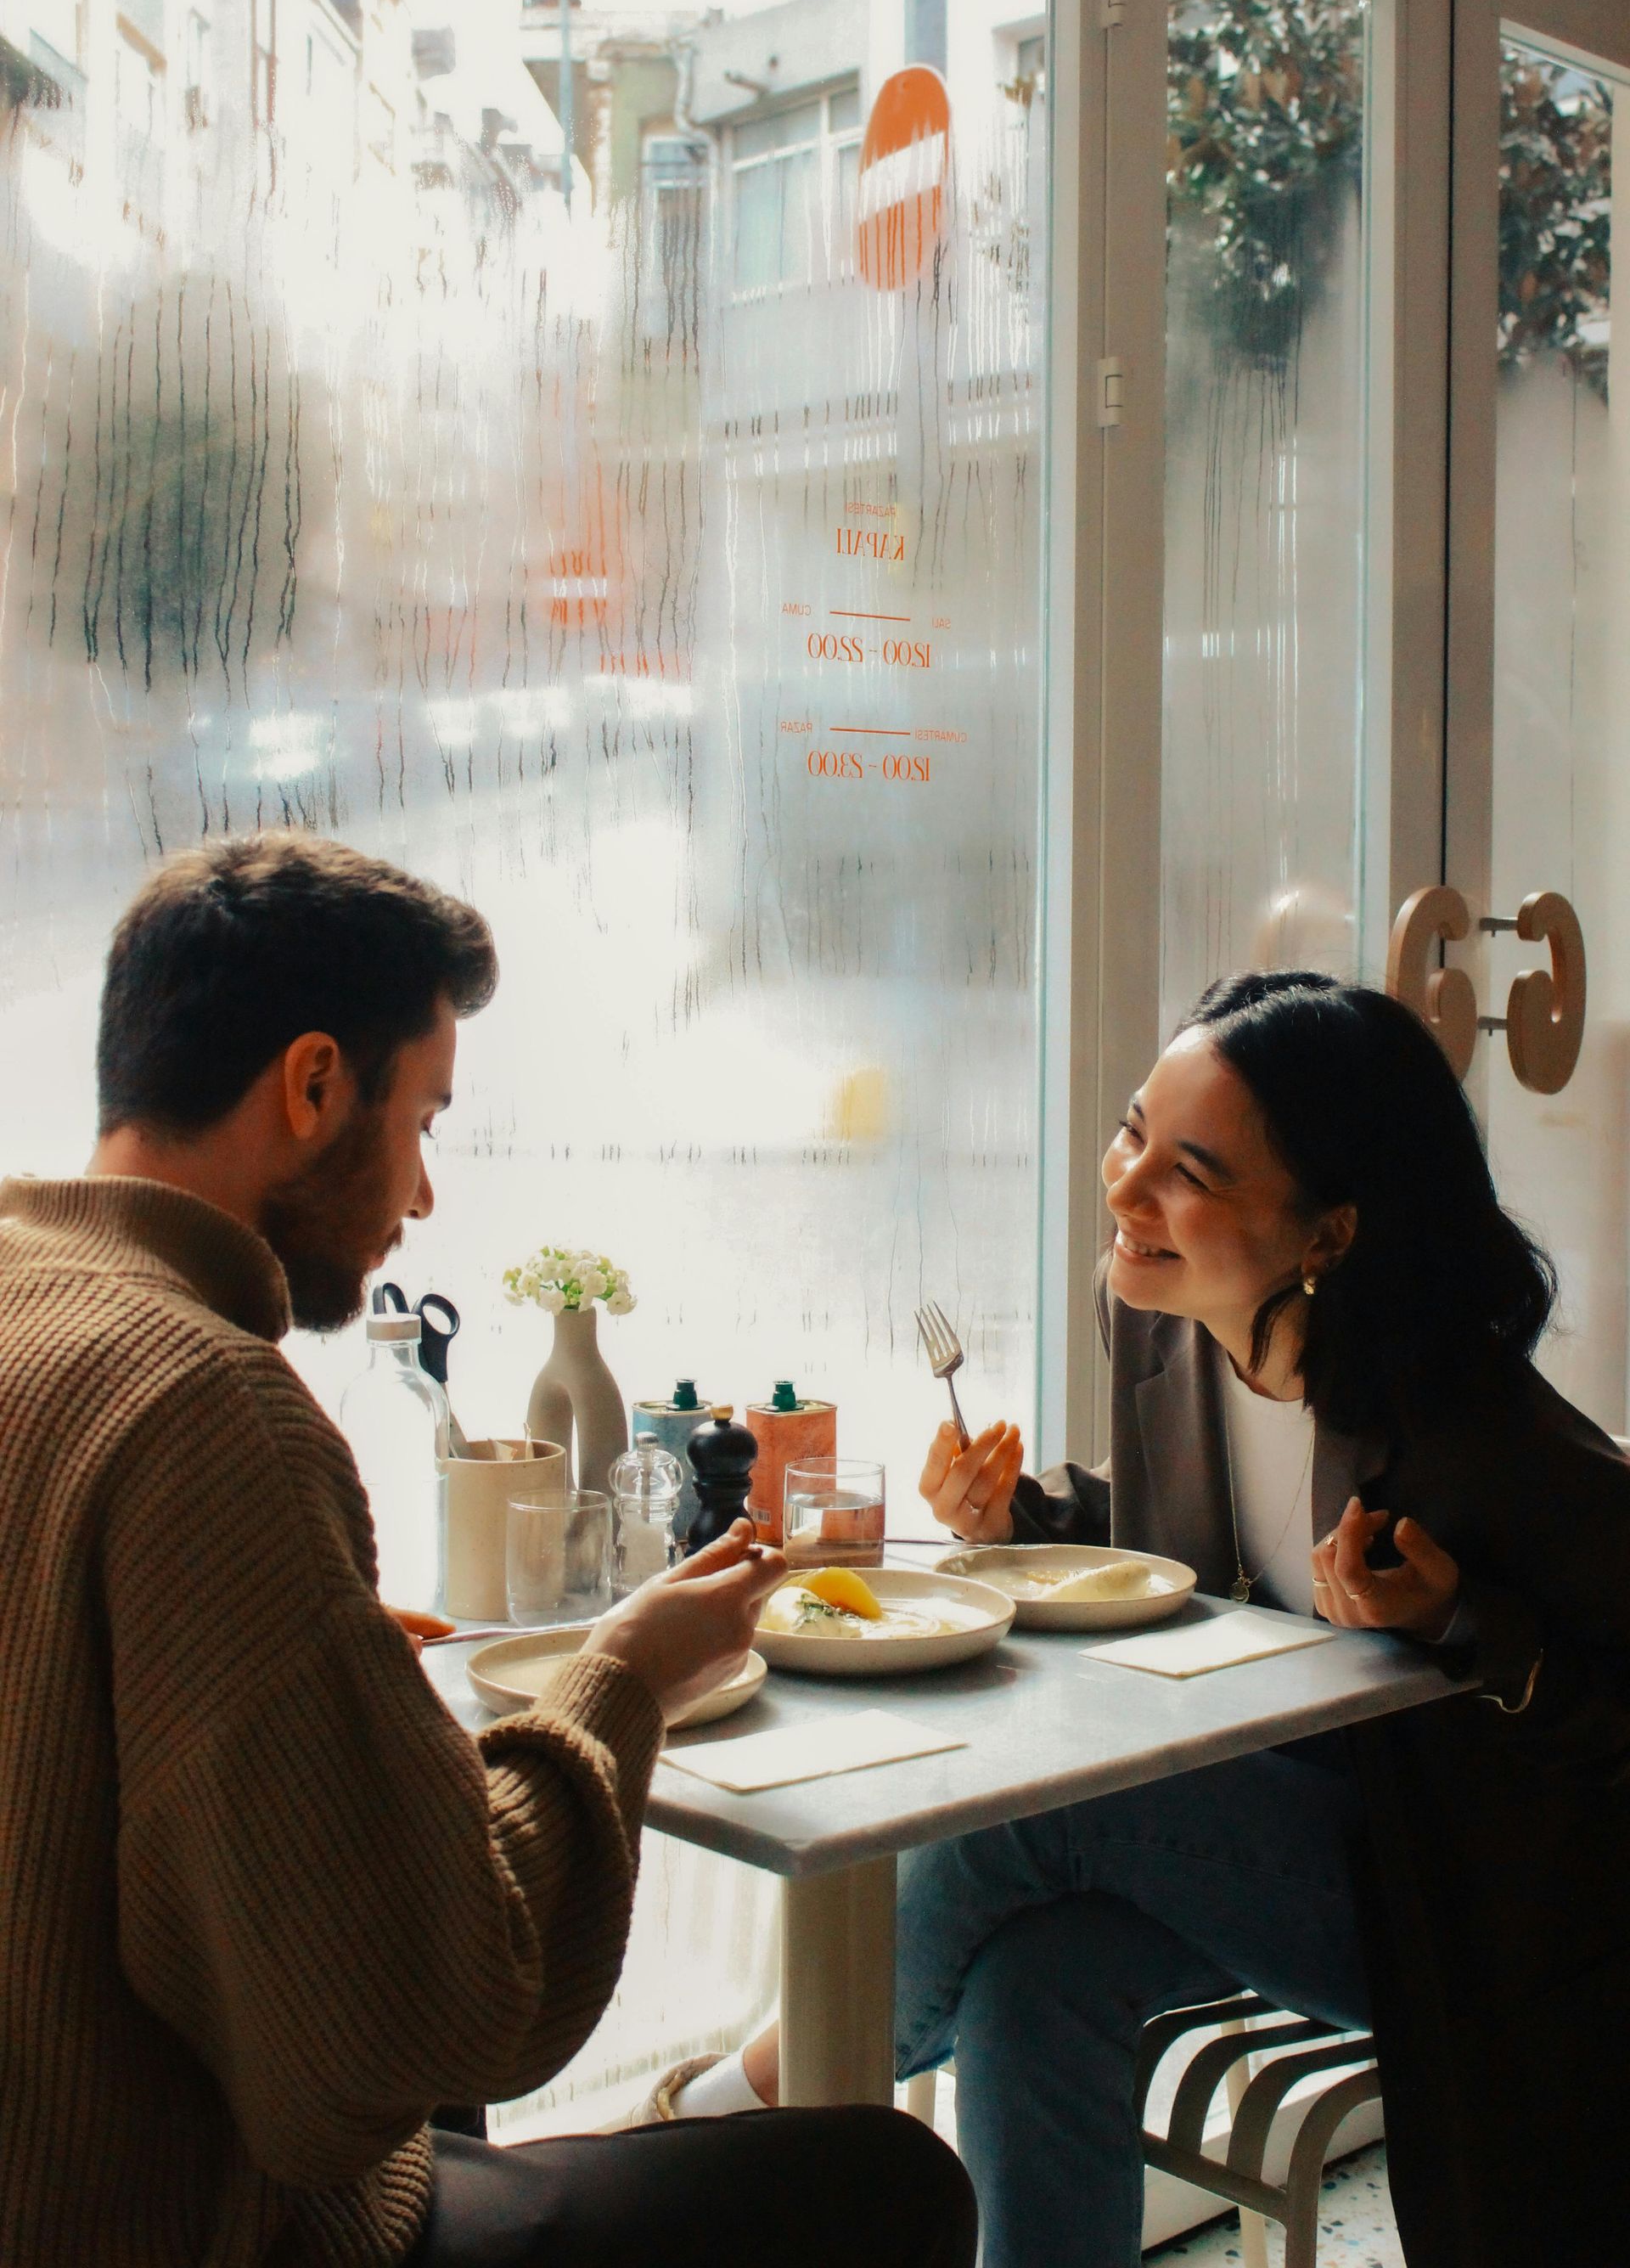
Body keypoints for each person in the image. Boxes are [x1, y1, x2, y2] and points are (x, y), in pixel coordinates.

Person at [0, 832, 976, 2268]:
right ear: (315, 1083)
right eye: (430, 1118)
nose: (427, 1193)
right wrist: (621, 1679)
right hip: (177, 2219)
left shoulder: (36, 1302)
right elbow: (417, 2013)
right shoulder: (208, 1404)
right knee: (891, 2187)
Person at [678, 971, 1630, 2268]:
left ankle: (741, 2122)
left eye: (1190, 1170)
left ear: (1330, 1236)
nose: (1125, 1191)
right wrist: (1021, 1517)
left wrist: (1465, 1621)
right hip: (1267, 1830)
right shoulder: (1168, 1330)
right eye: (1134, 1131)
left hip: (1445, 1890)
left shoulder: (1474, 1430)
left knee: (1055, 1797)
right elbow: (1204, 1548)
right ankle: (756, 2123)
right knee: (1031, 1993)